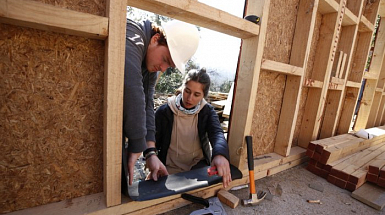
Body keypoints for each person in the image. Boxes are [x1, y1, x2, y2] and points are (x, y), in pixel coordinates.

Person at [122, 18, 200, 193]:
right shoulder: (133, 35)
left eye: (169, 65)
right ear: (155, 39)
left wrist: (150, 153)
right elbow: (131, 87)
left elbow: (147, 103)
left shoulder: (149, 66)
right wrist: (136, 144)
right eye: (165, 59)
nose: (163, 69)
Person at [153, 68, 232, 188]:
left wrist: (220, 154)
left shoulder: (207, 112)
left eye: (196, 94)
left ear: (203, 96)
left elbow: (217, 133)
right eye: (187, 91)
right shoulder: (165, 111)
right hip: (167, 167)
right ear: (182, 88)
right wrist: (152, 159)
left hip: (196, 166)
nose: (190, 98)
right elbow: (151, 139)